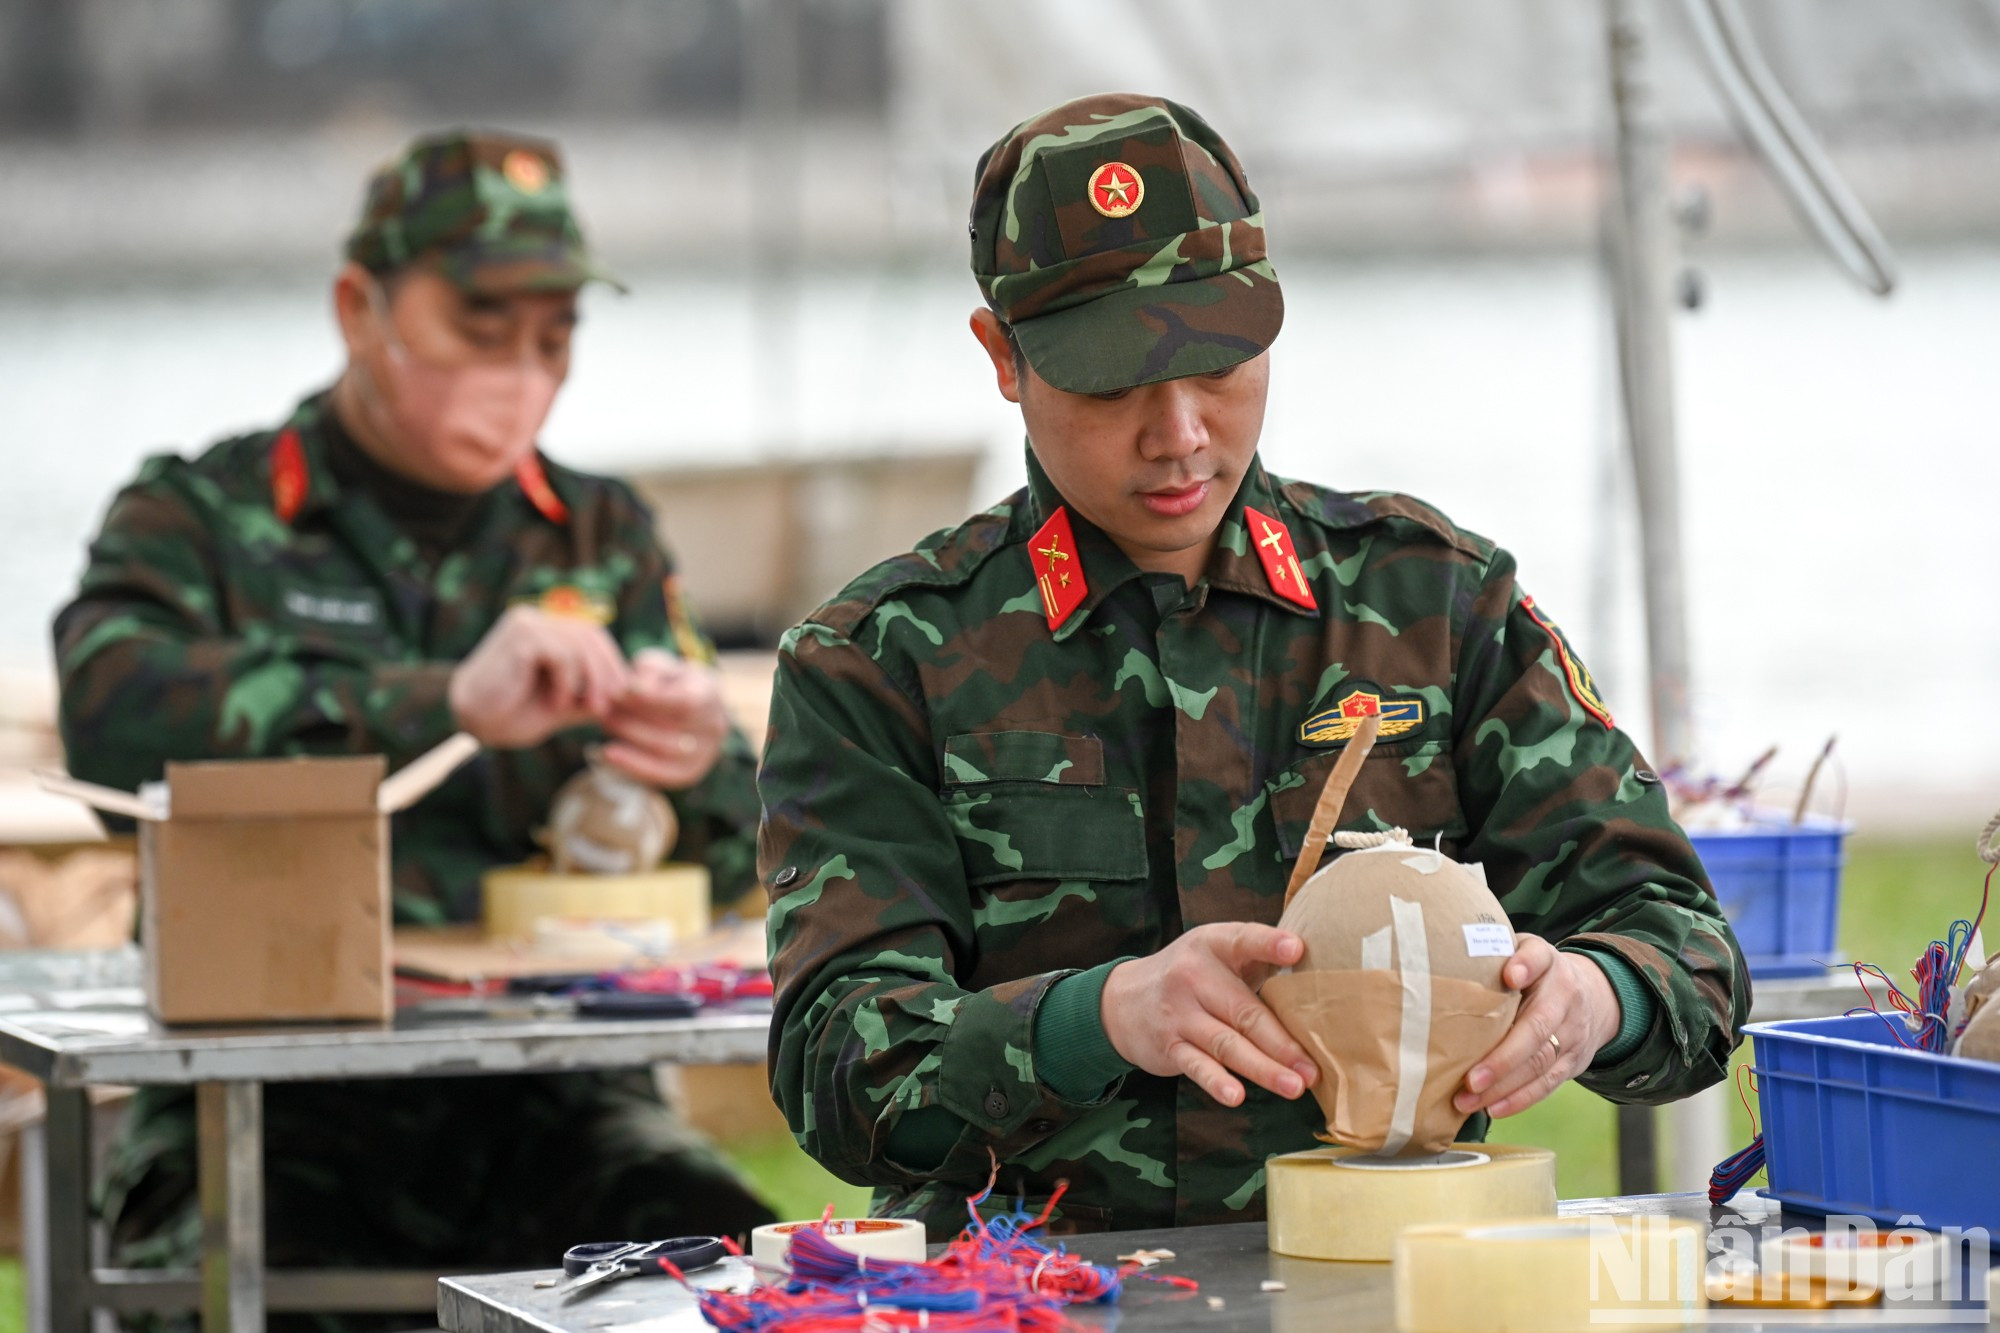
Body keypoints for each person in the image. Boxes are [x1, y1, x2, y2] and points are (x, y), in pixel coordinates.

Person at [758, 93, 1749, 1236]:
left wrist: (1594, 997)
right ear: (1002, 357)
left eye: (1218, 363)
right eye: (1110, 381)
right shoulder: (881, 659)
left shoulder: (1430, 603)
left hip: (1392, 1279)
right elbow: (835, 1068)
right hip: (1041, 1296)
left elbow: (1689, 953)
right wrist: (1095, 1019)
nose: (1178, 432)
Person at [54, 130, 774, 1299]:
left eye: (553, 340)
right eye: (479, 330)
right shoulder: (200, 515)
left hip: (562, 1101)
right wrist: (441, 705)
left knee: (728, 1269)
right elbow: (112, 721)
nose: (520, 374)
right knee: (224, 1284)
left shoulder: (600, 537)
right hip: (266, 1105)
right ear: (360, 307)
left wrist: (694, 761)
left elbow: (749, 849)